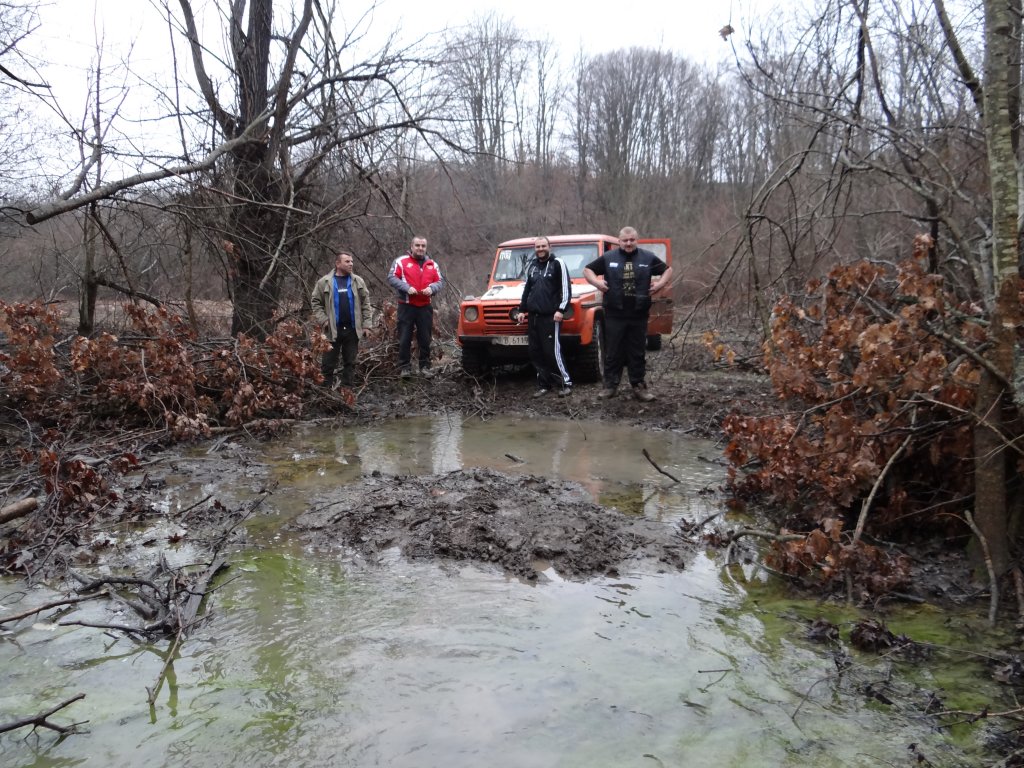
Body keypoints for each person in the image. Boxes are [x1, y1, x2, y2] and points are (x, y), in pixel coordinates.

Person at [583, 226, 673, 401]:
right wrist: (597, 283)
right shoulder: (609, 258)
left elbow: (668, 270)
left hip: (638, 313)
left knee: (637, 351)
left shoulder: (647, 257)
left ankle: (639, 386)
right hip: (615, 313)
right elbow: (587, 270)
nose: (628, 243)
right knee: (613, 350)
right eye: (625, 240)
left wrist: (660, 284)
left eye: (632, 240)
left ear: (637, 240)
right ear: (619, 241)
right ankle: (610, 386)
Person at [514, 236, 573, 398]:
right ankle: (544, 384)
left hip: (550, 316)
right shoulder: (532, 266)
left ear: (549, 246)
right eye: (537, 247)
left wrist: (561, 309)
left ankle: (565, 383)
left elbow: (566, 288)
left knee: (552, 351)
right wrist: (521, 310)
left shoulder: (557, 264)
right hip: (533, 316)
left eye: (543, 246)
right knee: (535, 352)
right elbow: (528, 290)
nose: (540, 249)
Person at [311, 250, 372, 388]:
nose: (351, 264)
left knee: (350, 363)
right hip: (332, 329)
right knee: (328, 363)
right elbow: (315, 302)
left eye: (352, 261)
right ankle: (325, 393)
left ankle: (347, 393)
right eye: (347, 261)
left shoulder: (358, 281)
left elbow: (366, 304)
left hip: (352, 329)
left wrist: (367, 325)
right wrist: (324, 320)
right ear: (338, 263)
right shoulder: (324, 282)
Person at [387, 235, 445, 377]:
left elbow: (440, 281)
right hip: (406, 306)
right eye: (417, 245)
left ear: (426, 248)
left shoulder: (432, 264)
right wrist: (406, 288)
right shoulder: (401, 261)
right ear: (411, 247)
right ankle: (405, 368)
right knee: (405, 337)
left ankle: (425, 367)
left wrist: (432, 288)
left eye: (423, 246)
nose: (420, 248)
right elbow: (392, 277)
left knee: (425, 338)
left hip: (425, 307)